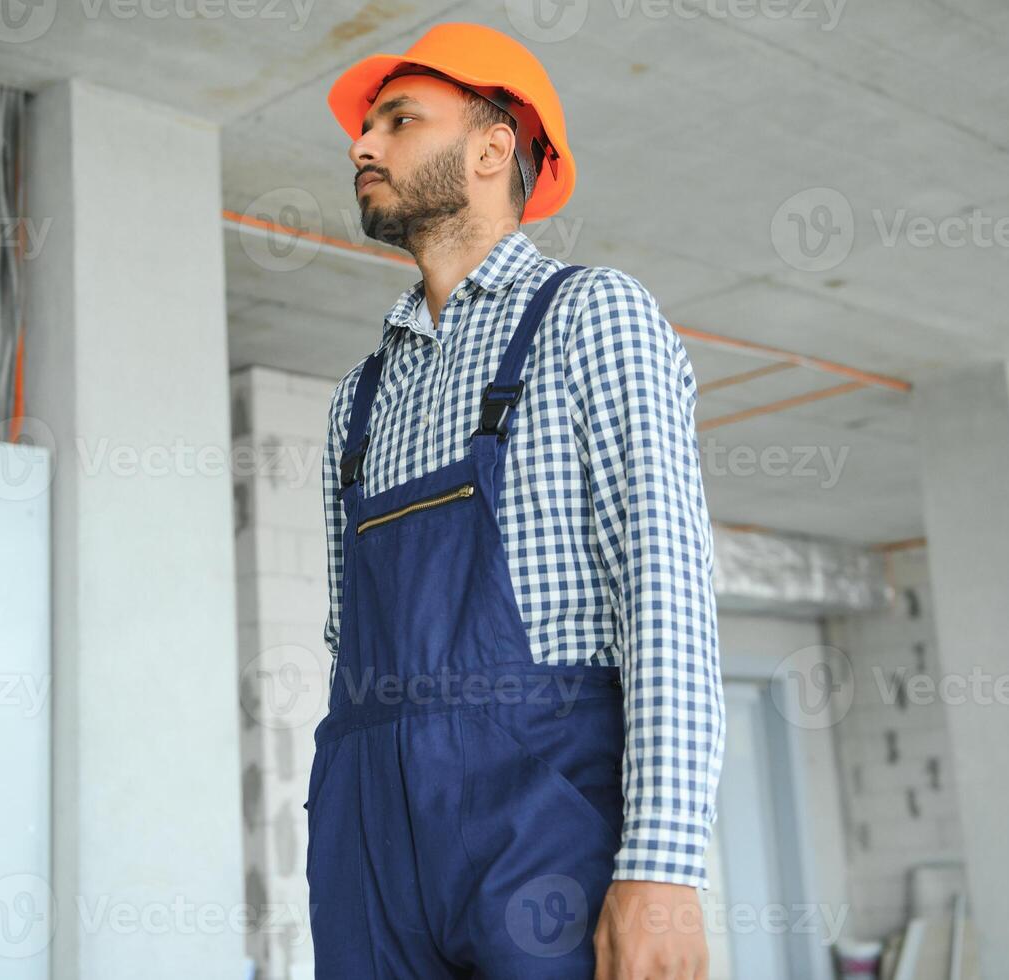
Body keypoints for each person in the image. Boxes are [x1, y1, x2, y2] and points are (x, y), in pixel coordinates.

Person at [308, 22, 725, 980]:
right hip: (367, 828)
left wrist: (661, 867)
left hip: (536, 817)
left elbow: (663, 595)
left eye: (397, 120)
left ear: (493, 147)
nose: (360, 147)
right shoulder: (358, 401)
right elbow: (346, 638)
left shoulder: (591, 315)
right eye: (364, 129)